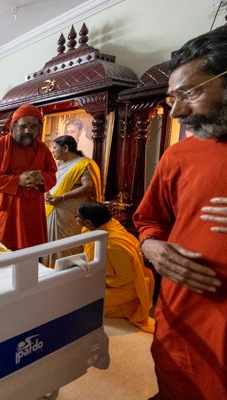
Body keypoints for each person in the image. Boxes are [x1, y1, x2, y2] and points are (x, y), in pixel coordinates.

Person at [133, 26, 227, 400]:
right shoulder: (179, 155)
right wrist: (151, 247)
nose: (177, 111)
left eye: (190, 92)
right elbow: (149, 219)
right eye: (174, 97)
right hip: (183, 313)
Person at [0, 104, 57, 250]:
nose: (28, 131)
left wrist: (42, 178)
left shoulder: (42, 148)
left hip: (33, 207)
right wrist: (17, 181)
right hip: (8, 209)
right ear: (13, 126)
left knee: (33, 248)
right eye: (23, 126)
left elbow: (52, 173)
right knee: (6, 249)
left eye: (34, 126)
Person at [76, 202, 155, 332]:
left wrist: (100, 281)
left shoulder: (112, 243)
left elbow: (126, 277)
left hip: (128, 287)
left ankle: (126, 307)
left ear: (88, 222)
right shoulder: (104, 225)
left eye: (76, 215)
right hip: (112, 281)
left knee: (83, 301)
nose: (75, 218)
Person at [43, 135, 101, 267]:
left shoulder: (83, 164)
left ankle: (67, 273)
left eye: (55, 148)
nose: (52, 151)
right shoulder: (58, 165)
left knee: (66, 245)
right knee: (50, 243)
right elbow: (50, 182)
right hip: (52, 209)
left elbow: (88, 187)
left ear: (65, 148)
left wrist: (62, 197)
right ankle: (50, 272)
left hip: (70, 214)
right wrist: (47, 193)